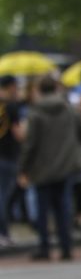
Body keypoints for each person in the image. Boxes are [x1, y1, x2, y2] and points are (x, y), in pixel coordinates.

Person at [17, 75, 81, 261]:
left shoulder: (35, 113)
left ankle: (45, 247)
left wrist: (23, 168)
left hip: (42, 167)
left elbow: (30, 144)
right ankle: (66, 246)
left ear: (40, 90)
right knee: (63, 207)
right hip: (65, 165)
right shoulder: (70, 110)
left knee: (43, 210)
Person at [0, 76, 22, 246]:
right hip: (7, 155)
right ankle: (3, 232)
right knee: (4, 196)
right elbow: (18, 134)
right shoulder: (11, 107)